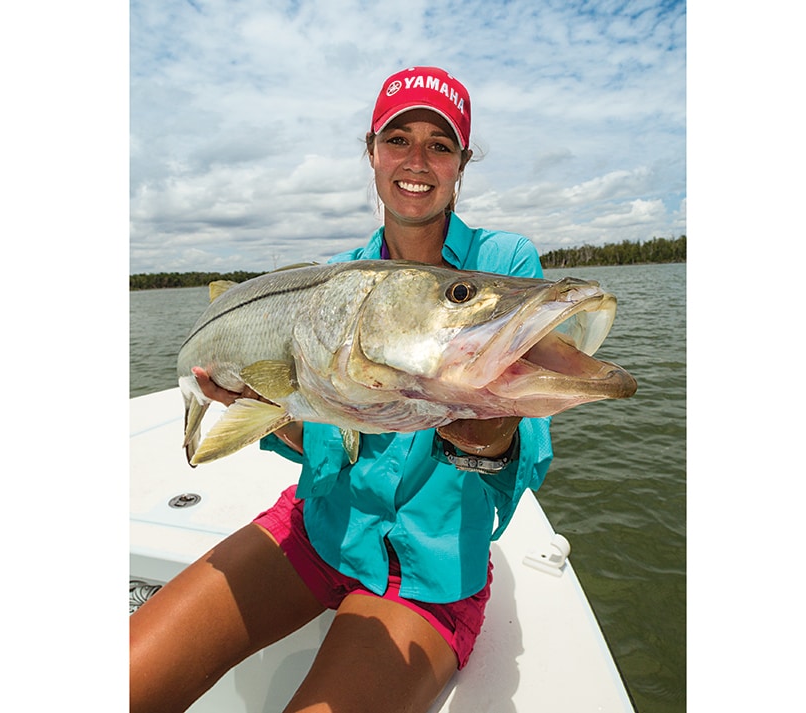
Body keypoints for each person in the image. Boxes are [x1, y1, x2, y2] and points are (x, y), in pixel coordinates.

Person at [130, 66, 554, 713]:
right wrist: (258, 405)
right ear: (372, 152)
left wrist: (488, 427)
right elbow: (322, 444)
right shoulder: (332, 281)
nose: (417, 160)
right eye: (398, 139)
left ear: (462, 162)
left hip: (429, 577)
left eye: (439, 145)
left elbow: (525, 459)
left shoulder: (506, 268)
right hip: (316, 526)